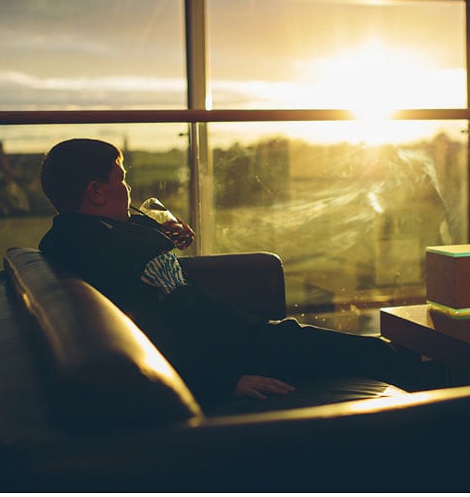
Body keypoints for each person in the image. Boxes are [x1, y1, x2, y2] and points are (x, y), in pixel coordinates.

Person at [38, 138, 442, 411]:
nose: (127, 191)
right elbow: (153, 328)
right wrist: (221, 382)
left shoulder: (79, 237)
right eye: (121, 181)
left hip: (238, 336)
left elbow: (146, 283)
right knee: (376, 353)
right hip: (238, 348)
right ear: (95, 192)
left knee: (366, 349)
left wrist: (157, 233)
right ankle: (456, 416)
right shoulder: (106, 249)